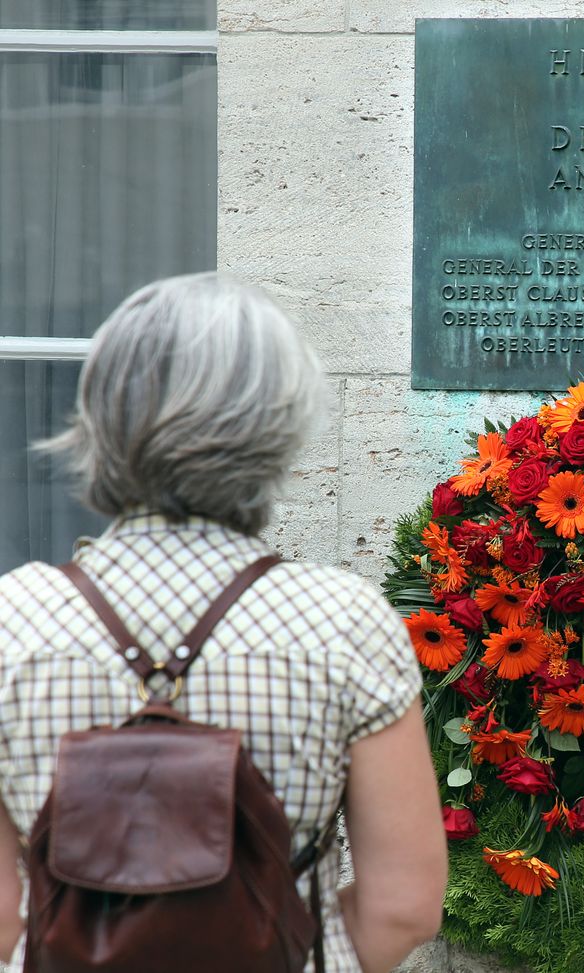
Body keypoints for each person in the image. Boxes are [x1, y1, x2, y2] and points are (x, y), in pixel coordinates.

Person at [0, 273, 447, 973]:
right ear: (277, 426)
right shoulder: (346, 621)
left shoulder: (11, 622)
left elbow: (2, 917)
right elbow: (405, 905)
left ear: (101, 416)